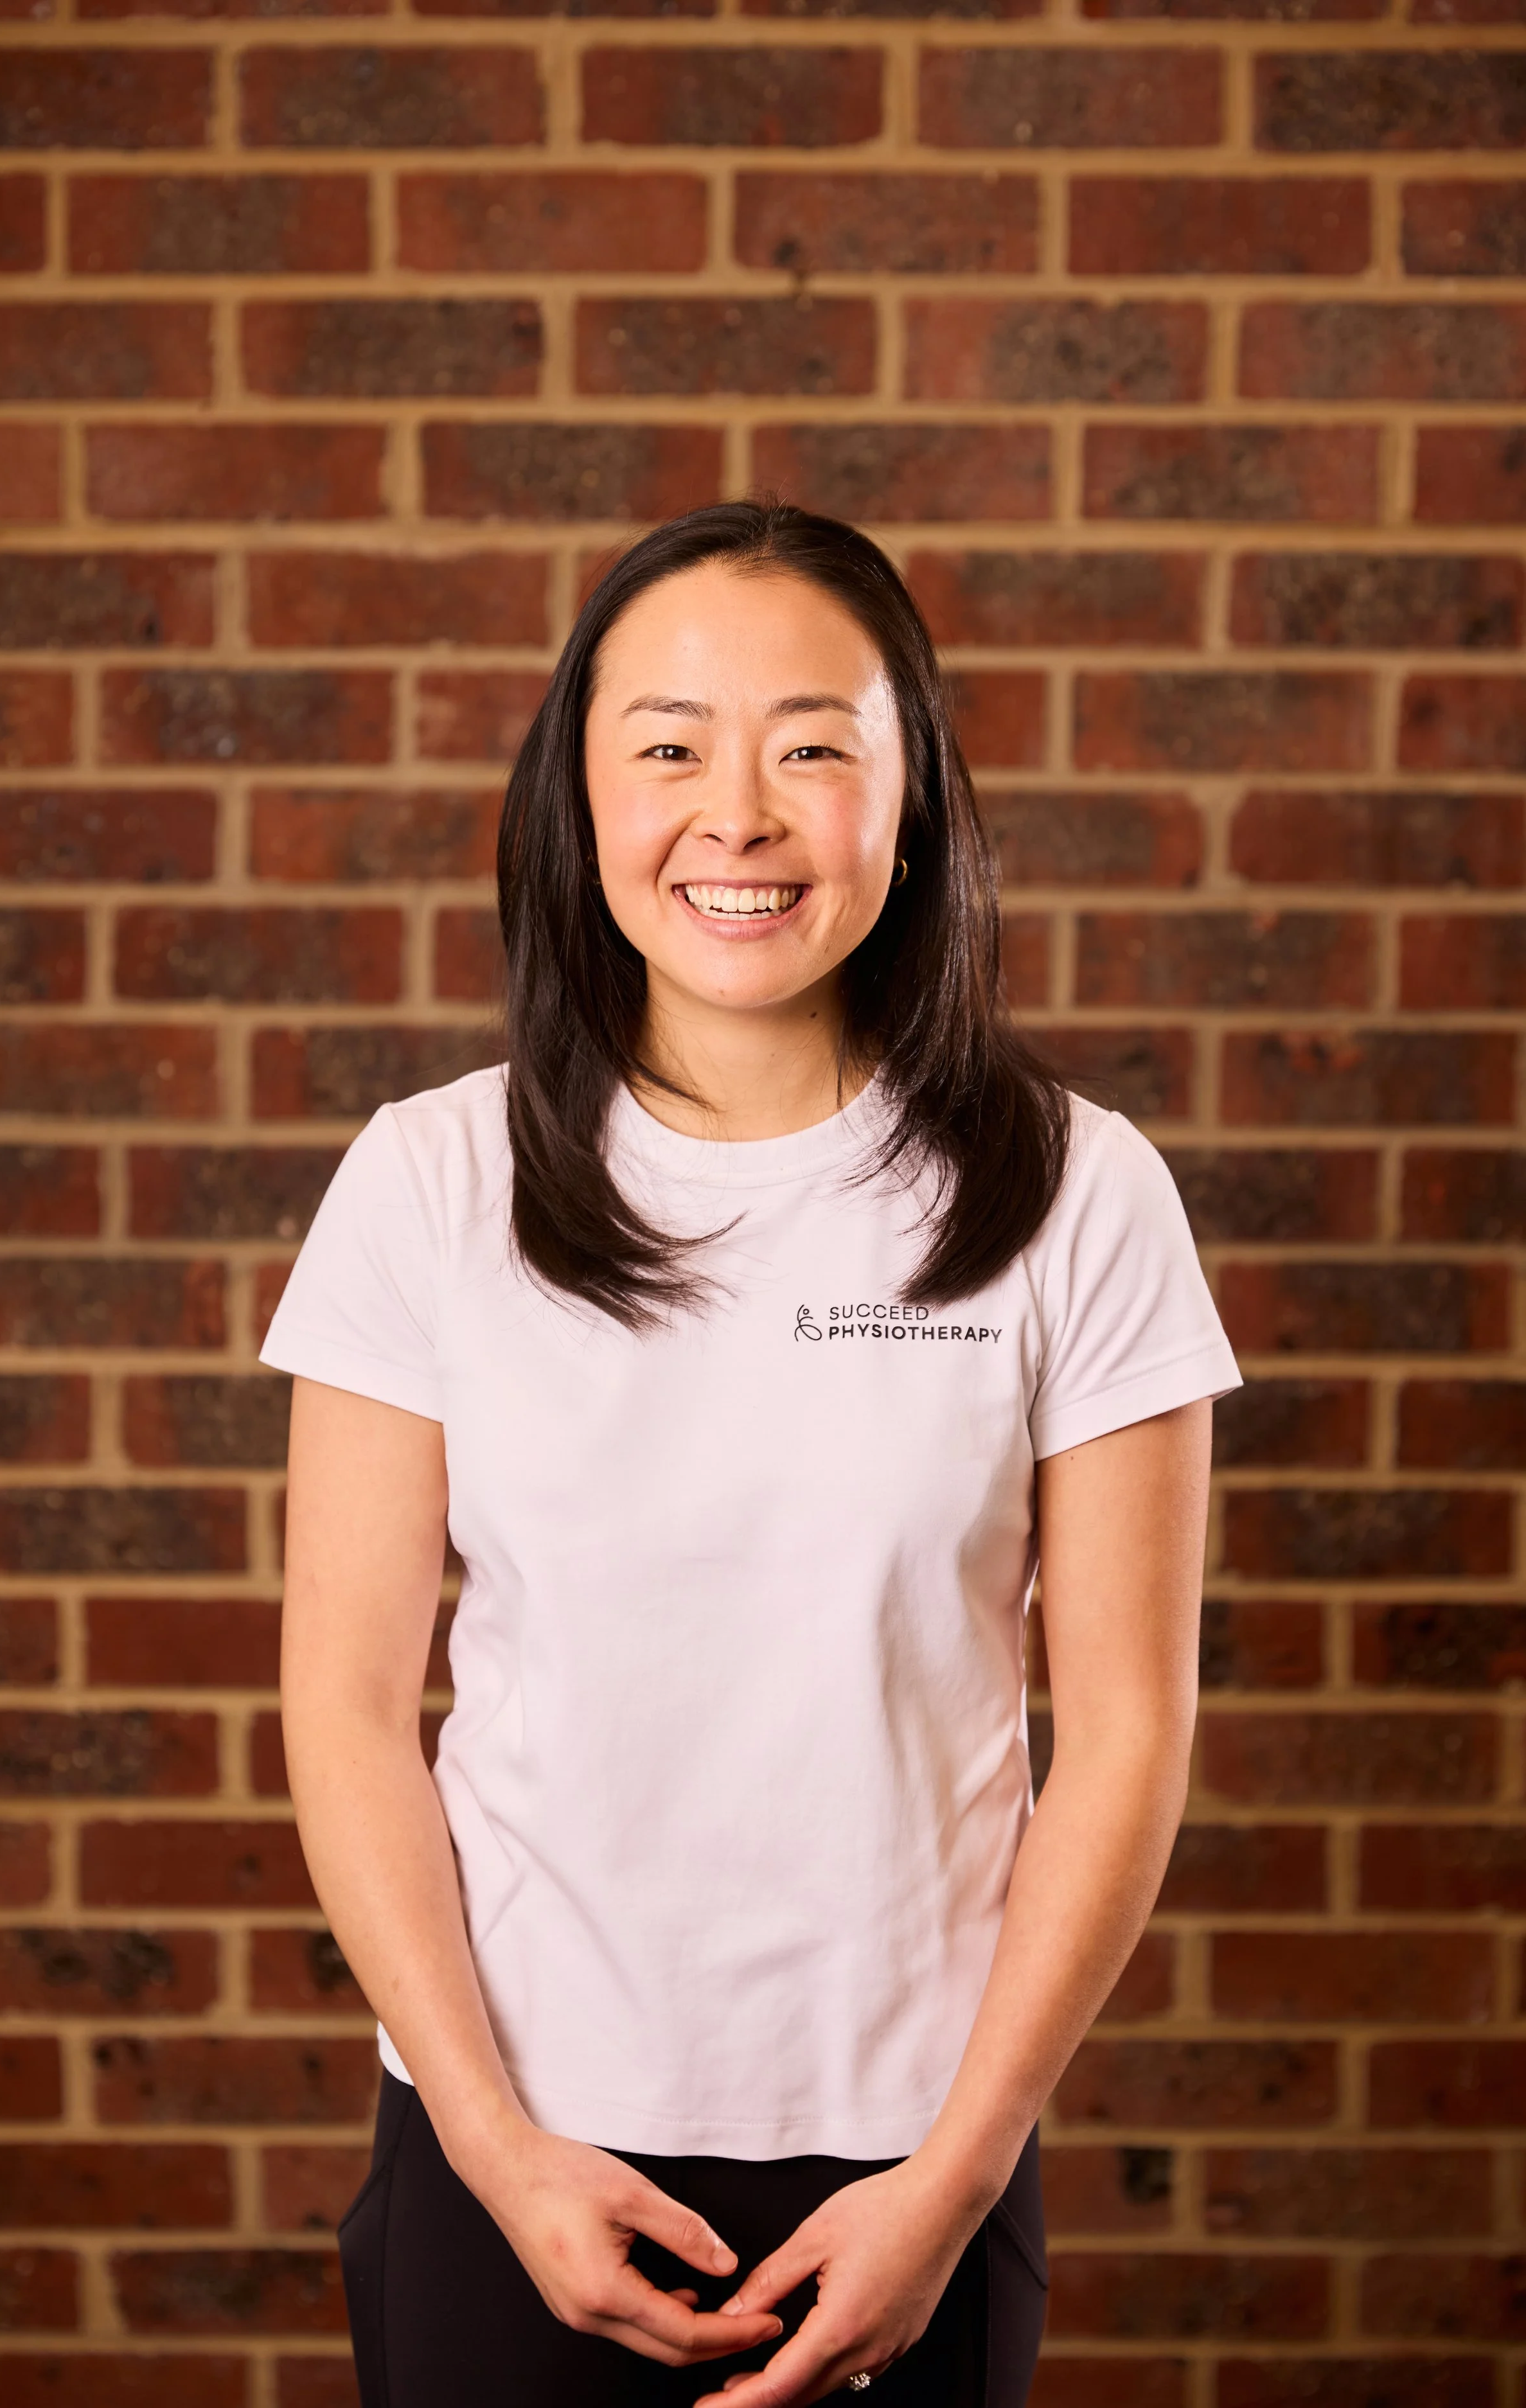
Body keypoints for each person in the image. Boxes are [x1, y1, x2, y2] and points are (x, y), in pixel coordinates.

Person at [260, 500, 1241, 2408]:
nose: (739, 815)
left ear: (912, 794)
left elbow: (1122, 1731)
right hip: (509, 2143)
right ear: (577, 799)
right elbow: (348, 1701)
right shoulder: (430, 1181)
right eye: (668, 747)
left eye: (812, 744)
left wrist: (954, 2173)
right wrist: (485, 2137)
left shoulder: (1075, 1191)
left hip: (908, 2164)